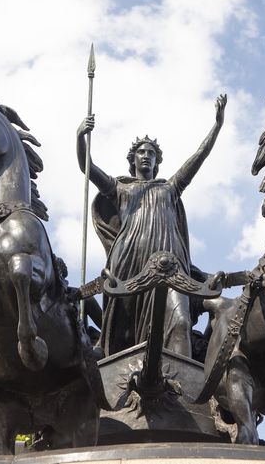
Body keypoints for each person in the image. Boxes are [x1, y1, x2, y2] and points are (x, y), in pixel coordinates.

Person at [76, 94, 227, 357]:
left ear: (157, 162)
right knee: (123, 333)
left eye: (152, 153)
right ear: (132, 159)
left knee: (178, 321)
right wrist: (80, 137)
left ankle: (179, 379)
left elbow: (198, 158)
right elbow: (87, 167)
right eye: (141, 152)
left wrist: (217, 125)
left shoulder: (171, 188)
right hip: (128, 265)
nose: (146, 156)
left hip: (170, 266)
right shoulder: (119, 188)